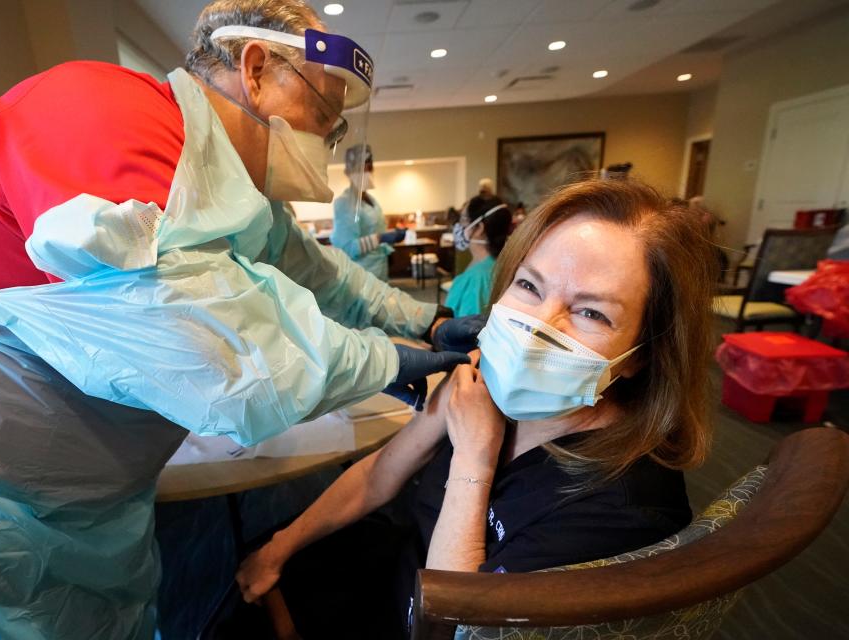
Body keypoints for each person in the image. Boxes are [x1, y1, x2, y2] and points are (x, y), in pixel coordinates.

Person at [0, 1, 473, 637]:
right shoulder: (101, 118)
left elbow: (318, 272)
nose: (326, 145)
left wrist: (429, 321)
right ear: (256, 69)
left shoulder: (224, 183)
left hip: (93, 488)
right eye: (325, 118)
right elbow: (226, 359)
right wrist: (386, 360)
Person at [235, 178, 717, 639]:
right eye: (529, 286)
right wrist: (281, 548)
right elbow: (381, 472)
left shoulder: (623, 514)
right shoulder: (483, 377)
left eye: (592, 312)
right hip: (389, 580)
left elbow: (457, 626)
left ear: (644, 354)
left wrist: (473, 458)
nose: (535, 329)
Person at [331, 143, 404, 280]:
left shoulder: (372, 200)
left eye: (369, 167)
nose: (366, 172)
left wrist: (389, 239)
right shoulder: (345, 203)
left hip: (379, 271)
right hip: (361, 275)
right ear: (349, 172)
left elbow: (373, 231)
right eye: (360, 168)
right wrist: (381, 238)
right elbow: (347, 248)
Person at [445, 196, 512, 316]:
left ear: (479, 228)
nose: (458, 226)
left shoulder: (476, 280)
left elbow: (466, 330)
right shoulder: (502, 263)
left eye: (463, 220)